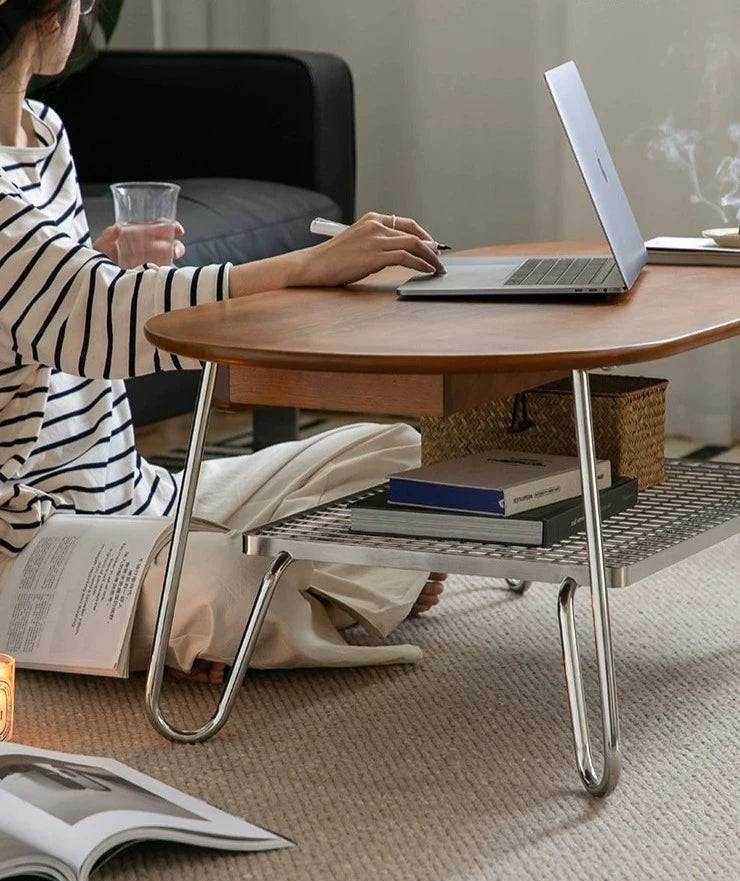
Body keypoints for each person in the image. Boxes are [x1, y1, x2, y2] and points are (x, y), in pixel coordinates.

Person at [0, 0, 448, 683]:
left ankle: (265, 600)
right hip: (36, 542)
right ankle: (274, 598)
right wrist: (304, 267)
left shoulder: (43, 134)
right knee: (228, 594)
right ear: (48, 14)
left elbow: (51, 304)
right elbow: (96, 316)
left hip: (139, 493)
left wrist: (90, 257)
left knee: (409, 458)